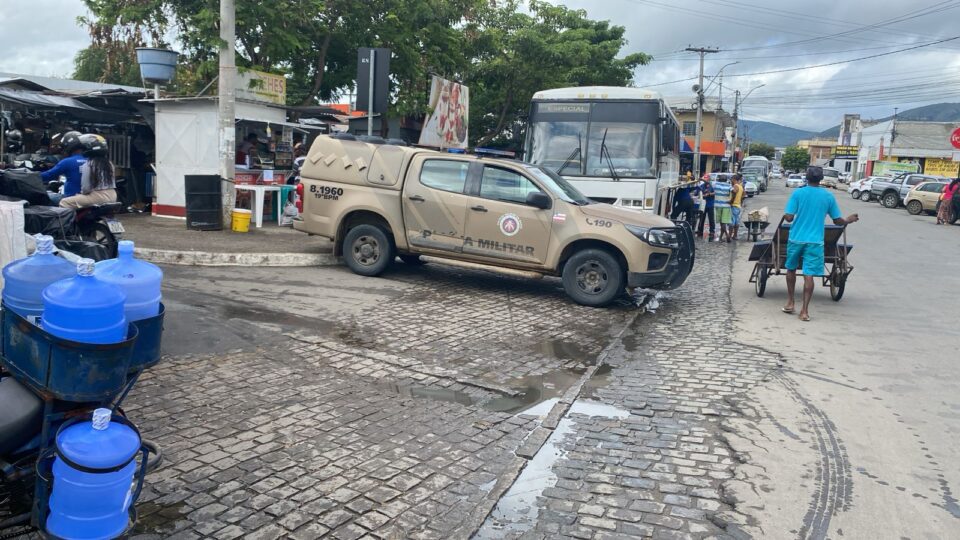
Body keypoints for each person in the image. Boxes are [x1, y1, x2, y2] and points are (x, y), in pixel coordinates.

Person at [782, 166, 859, 322]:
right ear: (821, 178)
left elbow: (789, 218)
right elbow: (838, 221)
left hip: (796, 238)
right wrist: (848, 220)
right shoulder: (828, 196)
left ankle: (790, 302)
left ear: (806, 178)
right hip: (815, 241)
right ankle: (804, 311)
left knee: (791, 269)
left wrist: (786, 214)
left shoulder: (798, 193)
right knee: (808, 275)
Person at [59, 134, 117, 209]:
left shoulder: (89, 164)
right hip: (112, 195)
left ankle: (71, 221)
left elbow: (85, 188)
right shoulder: (109, 163)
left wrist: (81, 194)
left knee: (64, 202)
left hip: (97, 197)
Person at [40, 131, 84, 204]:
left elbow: (48, 175)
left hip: (70, 199)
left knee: (43, 198)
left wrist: (31, 176)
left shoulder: (67, 162)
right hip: (88, 199)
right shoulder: (92, 161)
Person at [714, 174, 733, 242]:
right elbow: (734, 192)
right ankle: (721, 237)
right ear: (726, 179)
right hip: (726, 206)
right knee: (724, 222)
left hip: (718, 205)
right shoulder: (729, 185)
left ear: (719, 179)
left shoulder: (715, 184)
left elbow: (708, 183)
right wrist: (731, 200)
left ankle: (727, 234)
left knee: (721, 223)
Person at [697, 176, 716, 240]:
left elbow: (714, 193)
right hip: (703, 205)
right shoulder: (701, 186)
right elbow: (697, 193)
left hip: (710, 205)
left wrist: (709, 194)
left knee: (711, 219)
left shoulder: (711, 185)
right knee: (702, 218)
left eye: (707, 179)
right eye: (705, 180)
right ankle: (700, 231)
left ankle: (712, 232)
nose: (706, 181)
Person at [730, 173, 745, 241]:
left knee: (732, 222)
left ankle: (729, 236)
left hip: (734, 205)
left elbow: (734, 193)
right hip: (738, 206)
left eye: (732, 179)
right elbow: (743, 195)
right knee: (737, 221)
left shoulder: (736, 186)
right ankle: (735, 235)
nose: (731, 181)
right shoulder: (741, 186)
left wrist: (731, 201)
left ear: (734, 179)